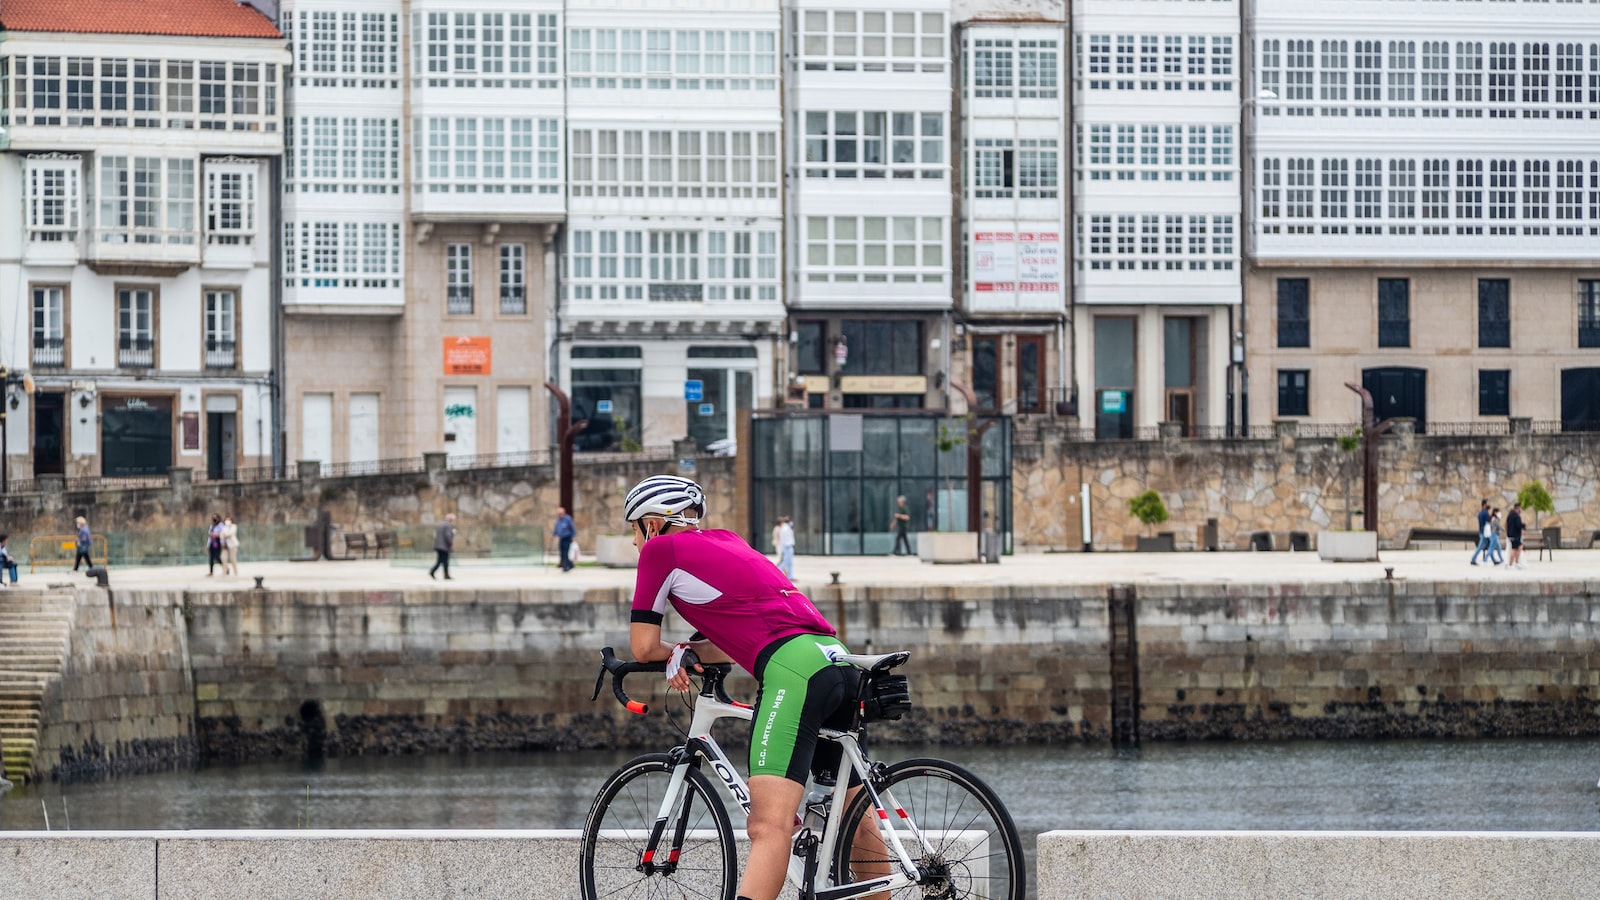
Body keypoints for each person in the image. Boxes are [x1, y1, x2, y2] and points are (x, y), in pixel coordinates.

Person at [624, 475, 856, 900]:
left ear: (652, 525)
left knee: (769, 826)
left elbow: (641, 647)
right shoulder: (728, 540)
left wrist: (671, 650)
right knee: (855, 818)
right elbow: (734, 640)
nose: (634, 544)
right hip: (834, 657)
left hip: (794, 670)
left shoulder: (660, 550)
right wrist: (686, 650)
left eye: (633, 531)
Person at [429, 513, 456, 580]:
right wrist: (451, 544)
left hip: (439, 546)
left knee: (441, 561)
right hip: (444, 547)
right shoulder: (448, 525)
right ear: (451, 519)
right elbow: (448, 536)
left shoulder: (441, 524)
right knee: (443, 561)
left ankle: (443, 574)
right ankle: (435, 572)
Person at [553, 506, 577, 572]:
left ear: (563, 513)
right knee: (562, 552)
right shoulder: (558, 519)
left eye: (560, 513)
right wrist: (553, 535)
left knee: (565, 552)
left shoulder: (568, 519)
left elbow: (573, 529)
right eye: (558, 514)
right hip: (561, 538)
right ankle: (570, 564)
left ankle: (565, 566)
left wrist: (573, 537)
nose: (559, 515)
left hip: (567, 538)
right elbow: (556, 527)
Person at [1468, 499, 1491, 565]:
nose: (1488, 505)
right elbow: (1488, 523)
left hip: (1481, 531)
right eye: (1487, 503)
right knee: (1481, 547)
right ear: (1484, 505)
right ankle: (1473, 559)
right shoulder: (1486, 513)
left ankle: (1492, 559)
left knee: (1490, 546)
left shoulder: (1480, 513)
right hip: (1485, 533)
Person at [1505, 503, 1526, 569]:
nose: (1521, 510)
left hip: (1510, 535)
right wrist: (1523, 525)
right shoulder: (1516, 516)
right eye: (1520, 508)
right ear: (1518, 508)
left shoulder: (1510, 515)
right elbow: (1518, 525)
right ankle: (1510, 564)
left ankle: (1516, 562)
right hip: (1515, 535)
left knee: (1519, 547)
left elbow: (1507, 524)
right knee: (1515, 549)